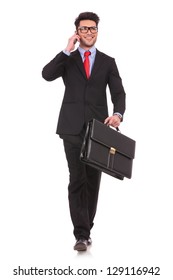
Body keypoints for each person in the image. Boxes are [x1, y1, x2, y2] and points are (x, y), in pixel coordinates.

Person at [42, 11, 126, 251]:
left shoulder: (108, 61)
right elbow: (47, 75)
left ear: (97, 31)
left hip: (98, 130)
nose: (89, 32)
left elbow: (119, 93)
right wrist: (66, 49)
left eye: (93, 28)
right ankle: (81, 234)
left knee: (93, 180)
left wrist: (117, 114)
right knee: (76, 179)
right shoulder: (67, 59)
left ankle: (86, 227)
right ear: (77, 32)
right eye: (84, 28)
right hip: (71, 128)